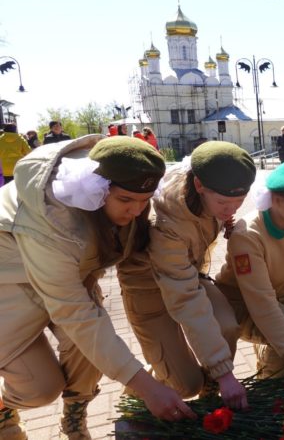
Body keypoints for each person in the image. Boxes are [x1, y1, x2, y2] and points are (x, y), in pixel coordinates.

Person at [0, 137, 195, 440]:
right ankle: (2, 407)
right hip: (12, 289)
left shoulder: (118, 187)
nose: (135, 211)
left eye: (143, 201)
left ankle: (75, 414)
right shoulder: (52, 222)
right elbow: (74, 312)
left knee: (90, 355)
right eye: (126, 201)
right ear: (95, 188)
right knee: (40, 388)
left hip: (65, 281)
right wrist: (147, 387)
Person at [116, 141, 255, 409]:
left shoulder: (210, 196)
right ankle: (139, 390)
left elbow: (187, 282)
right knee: (187, 385)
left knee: (227, 326)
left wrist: (224, 218)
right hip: (148, 290)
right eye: (224, 203)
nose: (232, 210)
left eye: (238, 202)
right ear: (200, 186)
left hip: (187, 274)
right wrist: (224, 372)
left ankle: (211, 390)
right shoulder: (167, 222)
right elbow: (185, 299)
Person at [216, 161, 284, 386]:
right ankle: (267, 373)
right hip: (243, 305)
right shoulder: (247, 236)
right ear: (276, 201)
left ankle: (281, 349)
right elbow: (261, 302)